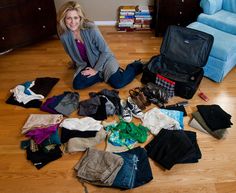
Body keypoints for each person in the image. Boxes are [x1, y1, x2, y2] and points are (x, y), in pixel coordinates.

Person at [57, 1, 143, 90]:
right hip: (87, 65)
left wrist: (95, 70)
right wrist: (76, 64)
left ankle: (136, 65)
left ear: (80, 18)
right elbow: (71, 53)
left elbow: (105, 52)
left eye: (75, 18)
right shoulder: (64, 37)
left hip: (104, 61)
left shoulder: (91, 29)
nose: (73, 22)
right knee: (77, 84)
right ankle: (101, 75)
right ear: (64, 19)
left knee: (118, 83)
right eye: (69, 18)